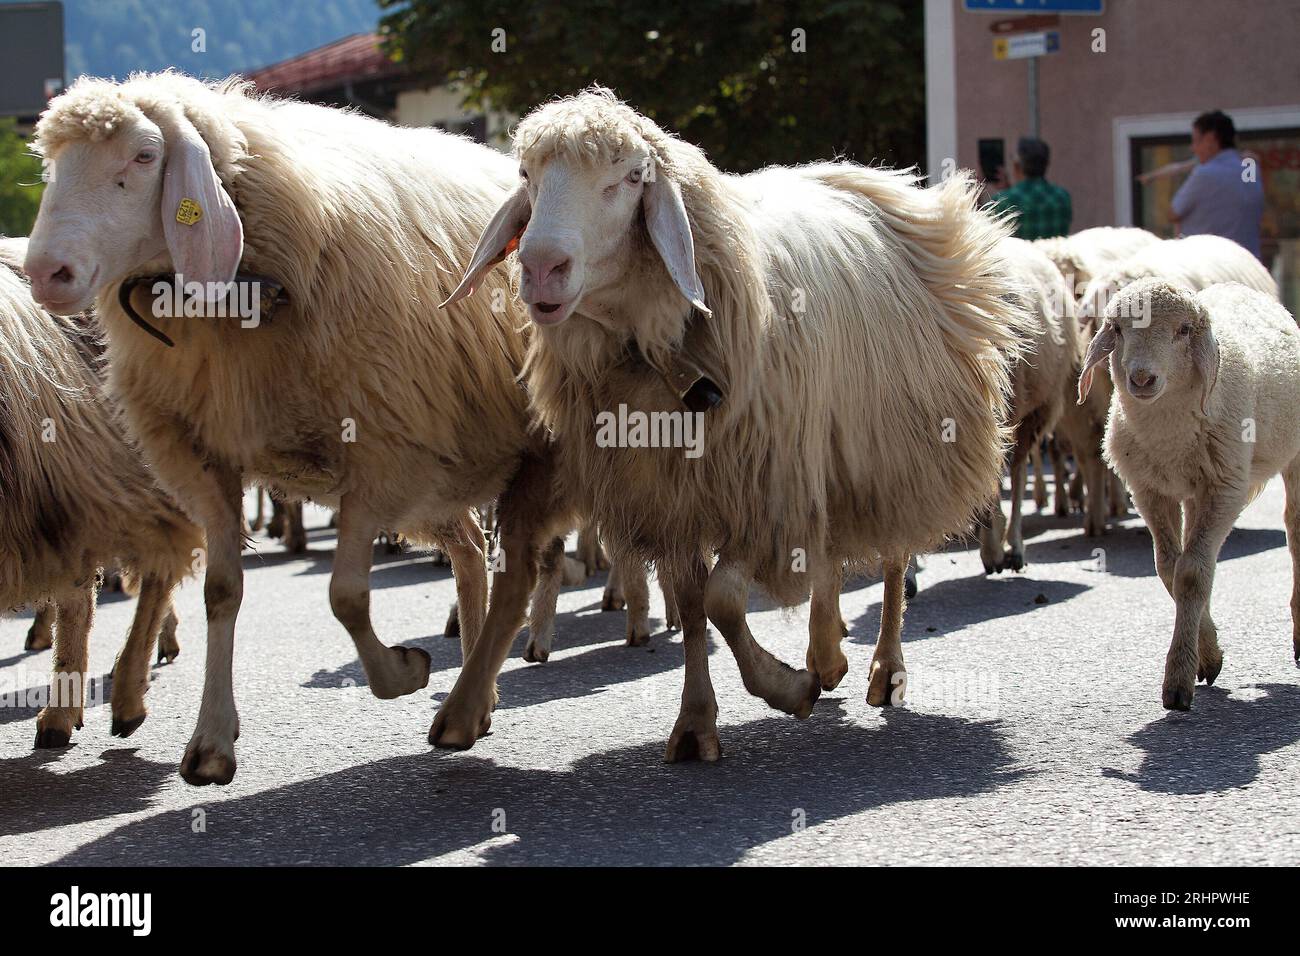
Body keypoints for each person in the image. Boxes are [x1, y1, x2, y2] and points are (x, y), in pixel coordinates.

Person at [1170, 110, 1265, 260]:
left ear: (1209, 139)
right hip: (1250, 266)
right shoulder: (1250, 167)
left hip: (1211, 269)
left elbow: (1173, 212)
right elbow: (1250, 199)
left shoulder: (1205, 173)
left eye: (1195, 141)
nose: (1193, 148)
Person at [991, 138, 1072, 241]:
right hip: (1054, 256)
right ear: (1046, 164)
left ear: (1017, 165)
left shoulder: (1002, 200)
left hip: (1021, 257)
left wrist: (978, 189)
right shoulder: (1063, 197)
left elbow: (981, 234)